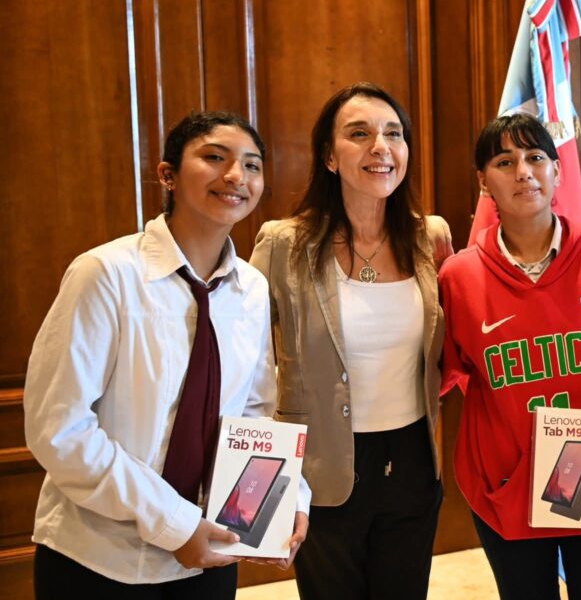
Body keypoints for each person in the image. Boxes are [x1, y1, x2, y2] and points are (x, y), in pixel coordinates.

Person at [24, 111, 309, 598]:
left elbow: (254, 414)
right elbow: (61, 430)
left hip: (211, 556)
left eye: (252, 165)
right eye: (214, 157)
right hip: (100, 557)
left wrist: (283, 497)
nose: (236, 176)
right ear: (168, 174)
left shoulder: (251, 289)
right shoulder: (106, 274)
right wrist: (174, 524)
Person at [439, 113, 581, 600]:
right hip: (506, 493)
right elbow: (433, 379)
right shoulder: (458, 277)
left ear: (558, 170)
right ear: (483, 181)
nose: (524, 171)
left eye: (536, 157)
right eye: (505, 162)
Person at [249, 82, 453, 600]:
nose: (380, 147)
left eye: (393, 134)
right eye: (359, 134)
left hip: (412, 462)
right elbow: (244, 362)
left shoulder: (430, 237)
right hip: (321, 467)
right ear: (329, 156)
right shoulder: (284, 243)